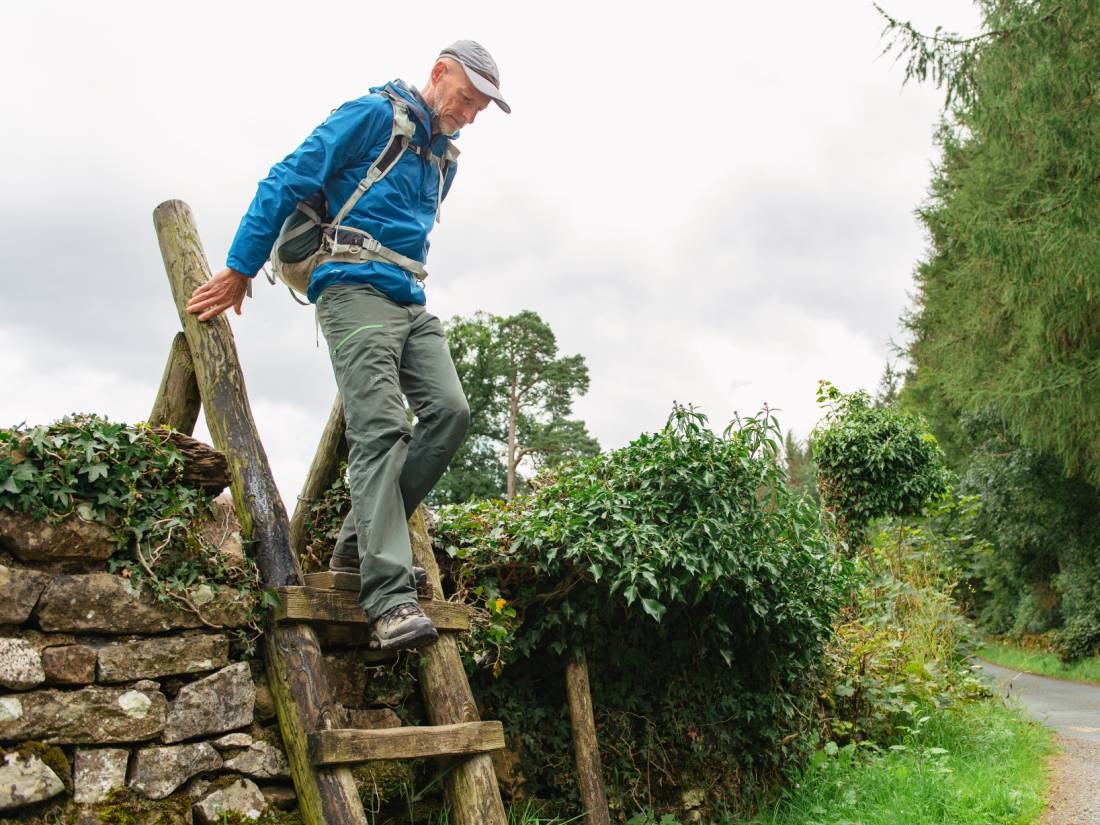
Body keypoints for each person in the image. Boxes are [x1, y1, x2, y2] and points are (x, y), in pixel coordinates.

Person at [186, 41, 510, 651]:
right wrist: (239, 266)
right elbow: (288, 178)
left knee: (451, 413)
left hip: (409, 297)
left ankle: (359, 547)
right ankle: (387, 599)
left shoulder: (445, 159)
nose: (470, 115)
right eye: (466, 99)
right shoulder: (371, 116)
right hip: (351, 289)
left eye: (480, 110)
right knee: (382, 424)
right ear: (439, 74)